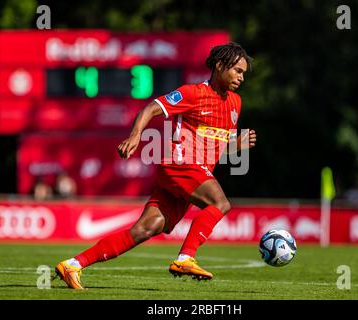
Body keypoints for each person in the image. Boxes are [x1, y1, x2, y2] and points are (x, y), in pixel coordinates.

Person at [54, 42, 257, 289]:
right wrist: (136, 135)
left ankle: (73, 264)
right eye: (237, 70)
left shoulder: (235, 103)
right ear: (219, 65)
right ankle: (185, 257)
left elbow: (216, 148)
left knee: (145, 229)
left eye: (243, 72)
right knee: (220, 203)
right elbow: (152, 107)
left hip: (191, 173)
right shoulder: (193, 93)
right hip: (179, 162)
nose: (241, 77)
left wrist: (237, 146)